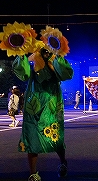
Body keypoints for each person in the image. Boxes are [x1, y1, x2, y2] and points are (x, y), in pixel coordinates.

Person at [13, 47, 74, 181]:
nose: (44, 53)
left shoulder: (56, 61)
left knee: (56, 137)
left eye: (46, 51)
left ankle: (63, 162)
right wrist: (21, 53)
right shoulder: (33, 63)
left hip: (52, 103)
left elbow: (67, 74)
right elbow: (22, 73)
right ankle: (33, 173)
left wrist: (55, 58)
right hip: (34, 104)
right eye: (42, 51)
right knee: (32, 136)